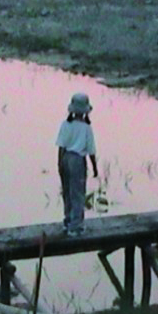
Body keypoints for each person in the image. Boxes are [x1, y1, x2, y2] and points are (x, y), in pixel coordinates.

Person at [56, 93, 98, 236]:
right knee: (78, 193)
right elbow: (91, 151)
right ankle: (76, 226)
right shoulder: (86, 128)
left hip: (66, 157)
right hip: (78, 161)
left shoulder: (65, 125)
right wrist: (95, 168)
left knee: (67, 191)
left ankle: (67, 221)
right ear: (86, 112)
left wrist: (59, 164)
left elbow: (61, 146)